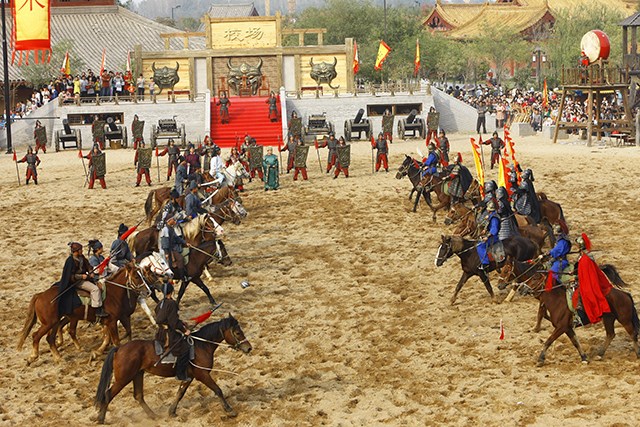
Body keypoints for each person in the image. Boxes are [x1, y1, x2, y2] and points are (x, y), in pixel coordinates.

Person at [56, 242, 108, 318]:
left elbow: (88, 265)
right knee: (95, 289)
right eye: (80, 250)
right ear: (76, 251)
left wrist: (90, 271)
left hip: (85, 278)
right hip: (77, 282)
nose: (82, 251)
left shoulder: (81, 257)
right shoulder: (70, 261)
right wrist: (81, 276)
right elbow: (70, 275)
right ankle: (97, 310)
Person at [155, 281, 191, 381]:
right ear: (171, 291)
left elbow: (163, 317)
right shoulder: (172, 303)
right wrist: (184, 331)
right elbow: (173, 323)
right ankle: (180, 374)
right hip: (168, 334)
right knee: (185, 349)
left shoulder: (160, 303)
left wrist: (181, 322)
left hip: (160, 332)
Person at [573, 233, 612, 324]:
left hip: (589, 282)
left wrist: (576, 278)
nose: (576, 247)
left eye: (577, 245)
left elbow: (587, 275)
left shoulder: (585, 259)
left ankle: (581, 316)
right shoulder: (582, 256)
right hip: (584, 278)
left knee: (577, 295)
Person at [160, 216, 188, 281]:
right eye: (172, 219)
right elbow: (165, 242)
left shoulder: (171, 228)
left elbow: (177, 238)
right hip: (170, 250)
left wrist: (185, 243)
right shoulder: (165, 230)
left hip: (174, 248)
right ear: (169, 220)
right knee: (180, 259)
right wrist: (166, 252)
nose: (174, 220)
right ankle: (182, 277)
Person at [476, 201, 500, 270]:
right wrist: (485, 230)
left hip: (493, 237)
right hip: (490, 235)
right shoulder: (492, 215)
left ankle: (485, 263)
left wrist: (487, 237)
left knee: (480, 246)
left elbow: (494, 229)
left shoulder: (494, 218)